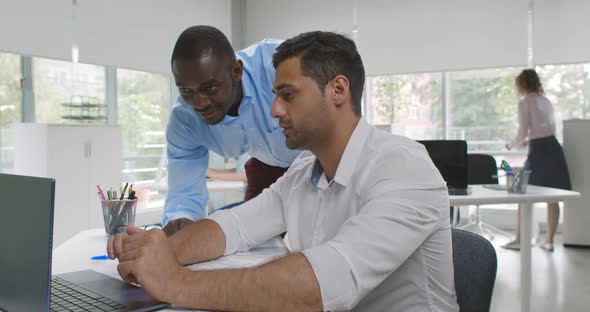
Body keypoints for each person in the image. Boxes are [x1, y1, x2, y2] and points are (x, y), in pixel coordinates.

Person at [108, 31, 459, 311]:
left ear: (338, 90)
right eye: (275, 94)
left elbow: (319, 286)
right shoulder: (305, 169)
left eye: (288, 95)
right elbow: (233, 227)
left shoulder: (404, 169)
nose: (274, 110)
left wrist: (174, 282)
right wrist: (154, 252)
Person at [163, 25, 301, 236]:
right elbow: (184, 191)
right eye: (186, 90)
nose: (199, 103)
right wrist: (181, 220)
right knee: (255, 246)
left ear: (237, 71)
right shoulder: (183, 120)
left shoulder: (280, 64)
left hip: (316, 161)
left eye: (210, 88)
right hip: (264, 169)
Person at [503, 69, 572, 252]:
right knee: (553, 197)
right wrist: (530, 139)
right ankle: (548, 241)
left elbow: (522, 132)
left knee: (522, 192)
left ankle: (520, 239)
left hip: (539, 151)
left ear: (522, 84)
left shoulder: (525, 103)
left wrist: (510, 145)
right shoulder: (546, 101)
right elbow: (548, 128)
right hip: (553, 148)